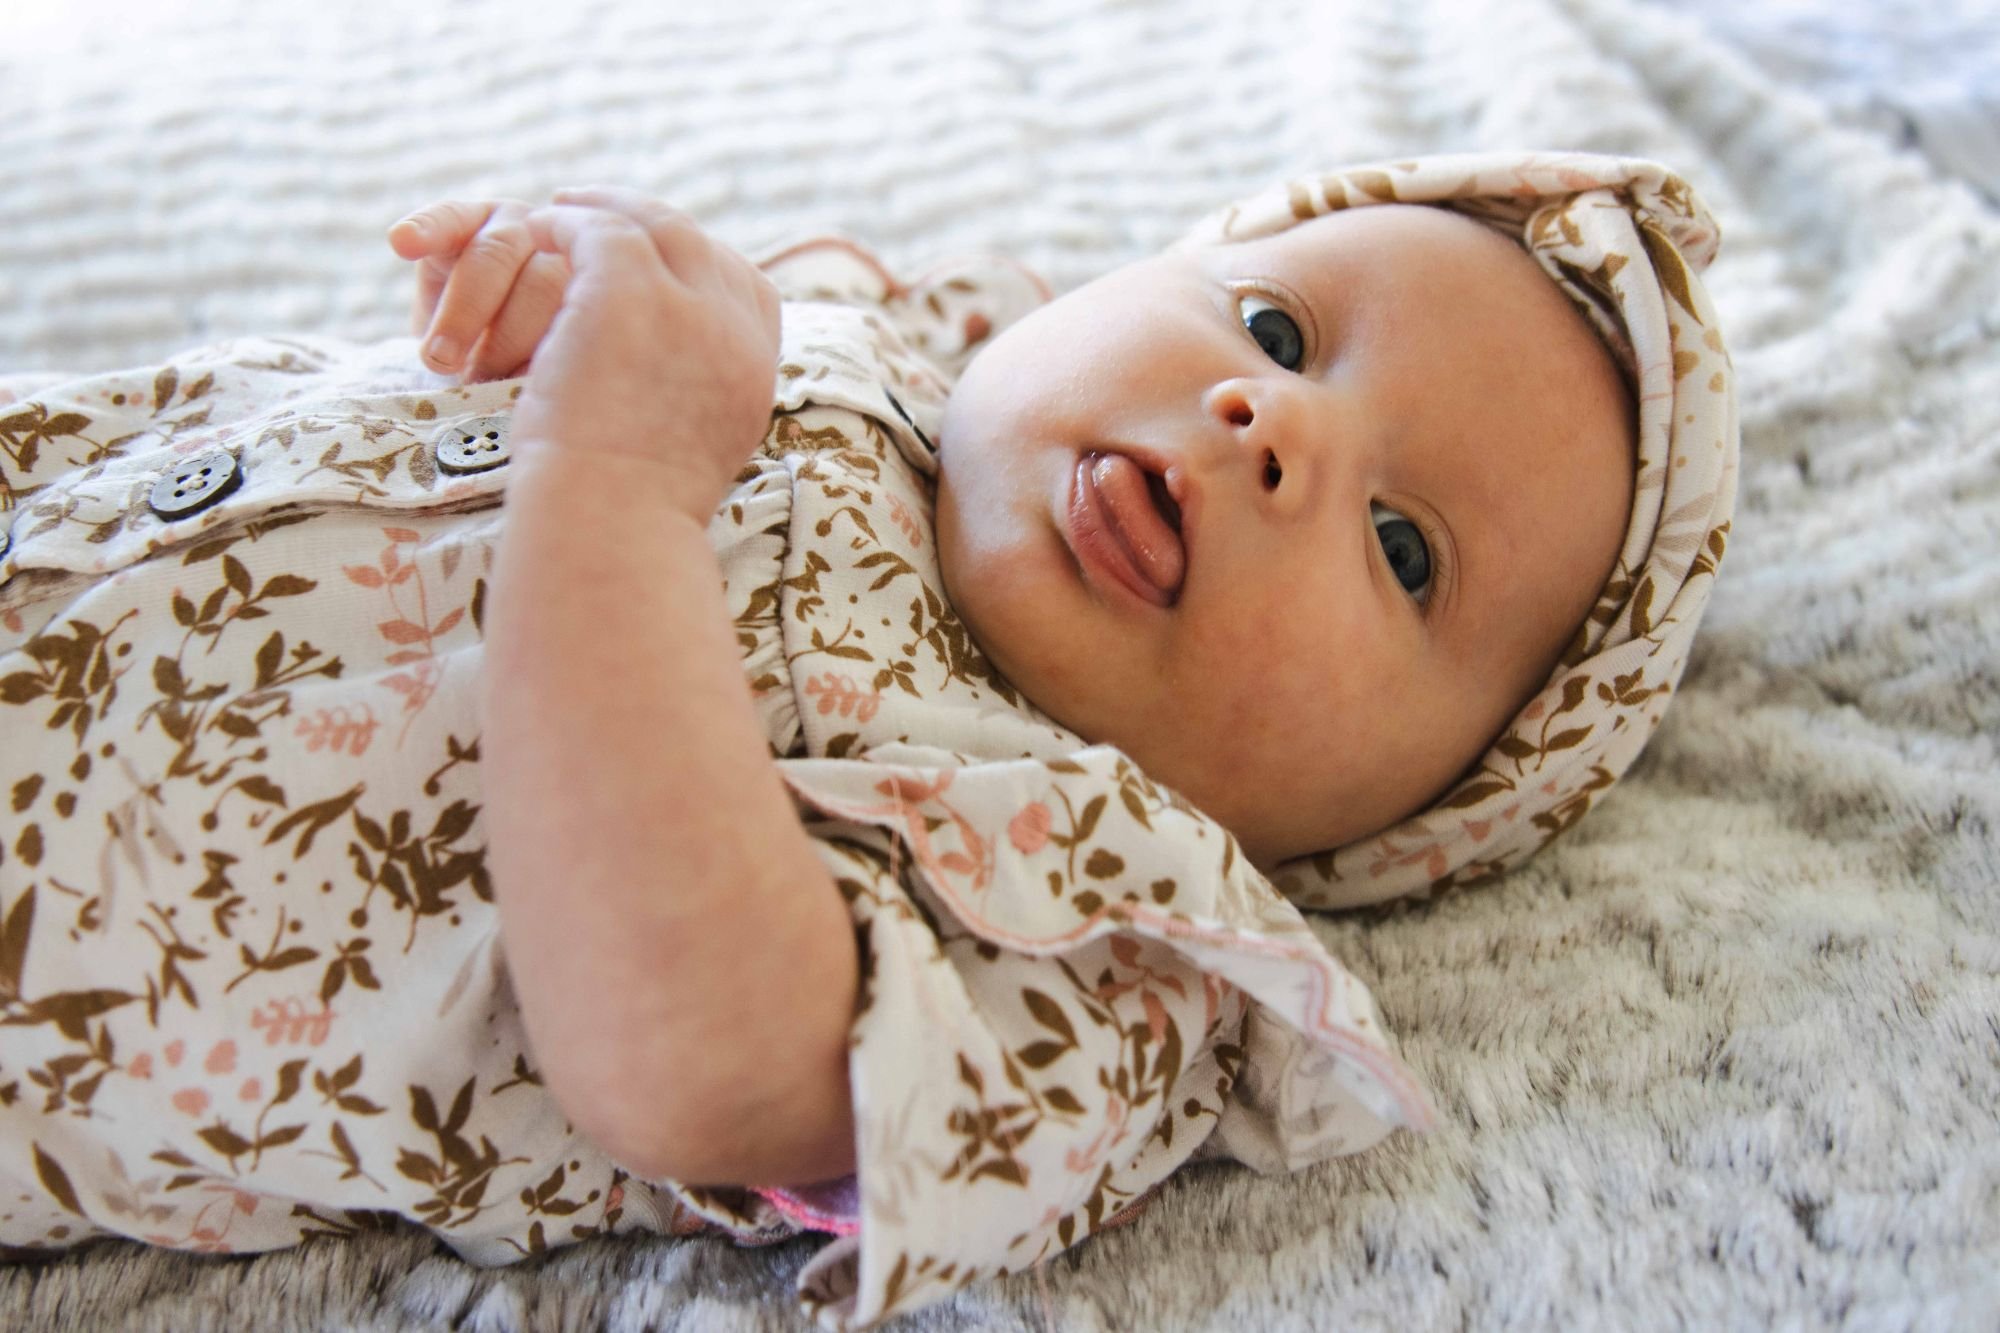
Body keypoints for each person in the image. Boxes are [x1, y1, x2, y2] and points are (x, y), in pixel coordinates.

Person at [0, 152, 1735, 1330]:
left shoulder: (1109, 932)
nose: (1271, 420)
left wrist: (616, 480)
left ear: (1415, 823)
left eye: (1404, 548)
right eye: (1276, 327)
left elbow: (692, 1069)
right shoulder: (878, 360)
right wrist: (588, 283)